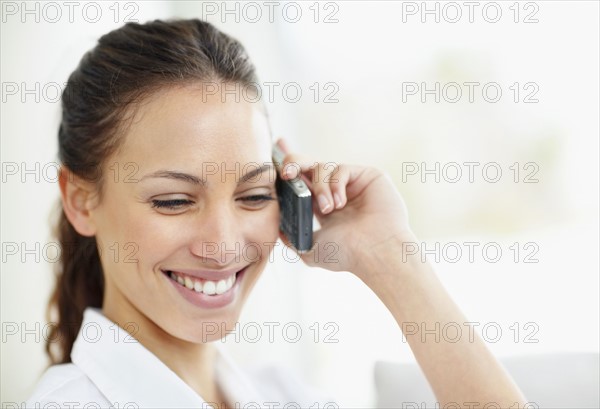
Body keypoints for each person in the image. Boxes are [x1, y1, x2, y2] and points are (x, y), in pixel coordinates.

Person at [26, 18, 526, 408]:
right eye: (174, 201)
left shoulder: (283, 394)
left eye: (254, 195)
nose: (222, 244)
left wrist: (392, 258)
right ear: (80, 200)